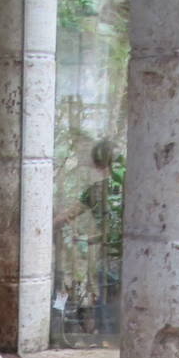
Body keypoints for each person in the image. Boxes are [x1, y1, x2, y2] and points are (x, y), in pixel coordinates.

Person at [52, 138, 123, 339]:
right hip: (132, 257)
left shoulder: (96, 191)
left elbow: (65, 217)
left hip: (108, 260)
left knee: (104, 298)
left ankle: (106, 338)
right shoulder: (132, 189)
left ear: (98, 164)